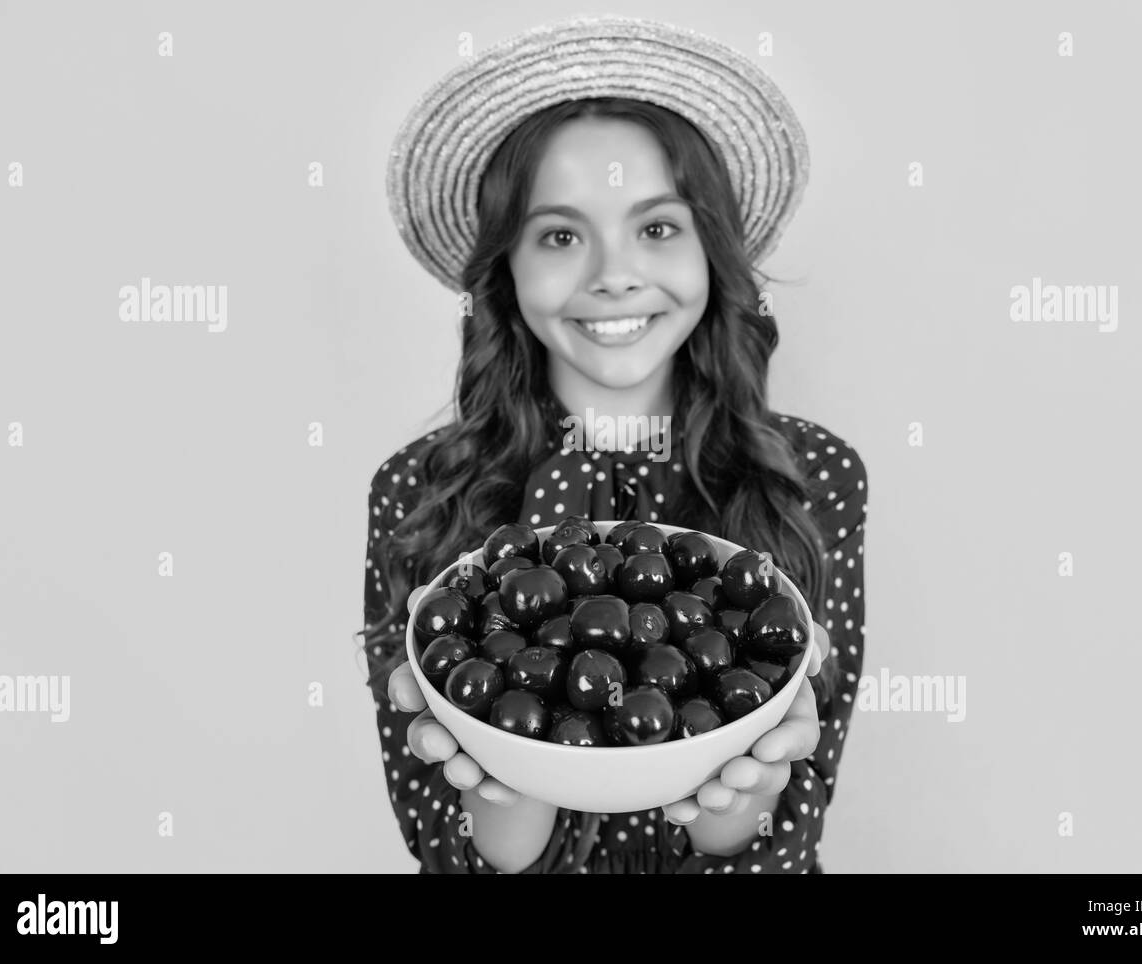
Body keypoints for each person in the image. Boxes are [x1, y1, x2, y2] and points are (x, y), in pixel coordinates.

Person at [359, 14, 868, 873]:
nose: (612, 273)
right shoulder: (418, 490)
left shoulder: (812, 475)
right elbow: (445, 848)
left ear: (712, 249)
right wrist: (504, 784)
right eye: (560, 235)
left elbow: (784, 839)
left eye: (657, 227)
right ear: (506, 269)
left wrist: (740, 797)